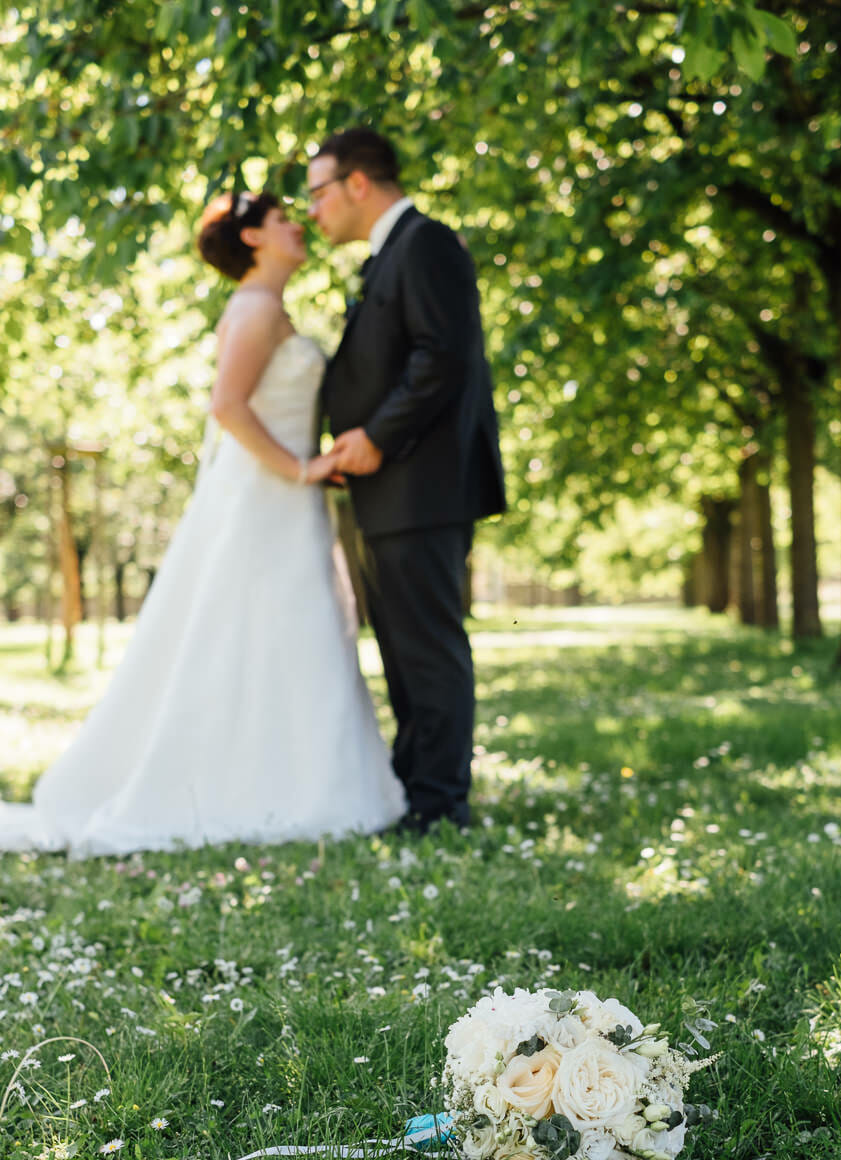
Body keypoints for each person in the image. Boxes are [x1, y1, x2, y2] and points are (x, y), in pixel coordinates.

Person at [0, 190, 406, 858]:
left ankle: (305, 780)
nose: (298, 228)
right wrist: (299, 468)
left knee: (291, 632)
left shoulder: (272, 308)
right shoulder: (254, 308)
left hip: (284, 498)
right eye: (282, 221)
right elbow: (228, 407)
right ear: (252, 239)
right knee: (256, 629)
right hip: (261, 495)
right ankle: (264, 785)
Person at [311, 127, 506, 835]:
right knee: (400, 646)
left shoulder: (425, 244)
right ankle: (416, 788)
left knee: (426, 645)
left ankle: (441, 803)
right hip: (388, 490)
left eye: (318, 192)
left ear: (357, 183)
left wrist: (376, 437)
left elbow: (442, 358)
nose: (313, 210)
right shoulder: (388, 254)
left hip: (420, 484)